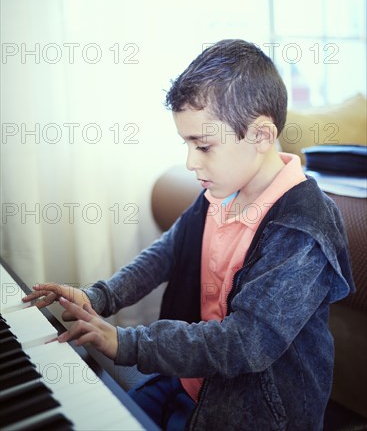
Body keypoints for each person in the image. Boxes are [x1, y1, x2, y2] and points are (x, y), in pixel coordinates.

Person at [23, 39, 355, 431]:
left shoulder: (302, 228)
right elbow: (167, 252)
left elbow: (244, 342)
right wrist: (100, 295)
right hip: (191, 381)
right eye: (187, 144)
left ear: (261, 135)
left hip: (255, 413)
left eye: (204, 146)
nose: (190, 162)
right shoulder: (221, 192)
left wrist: (127, 343)